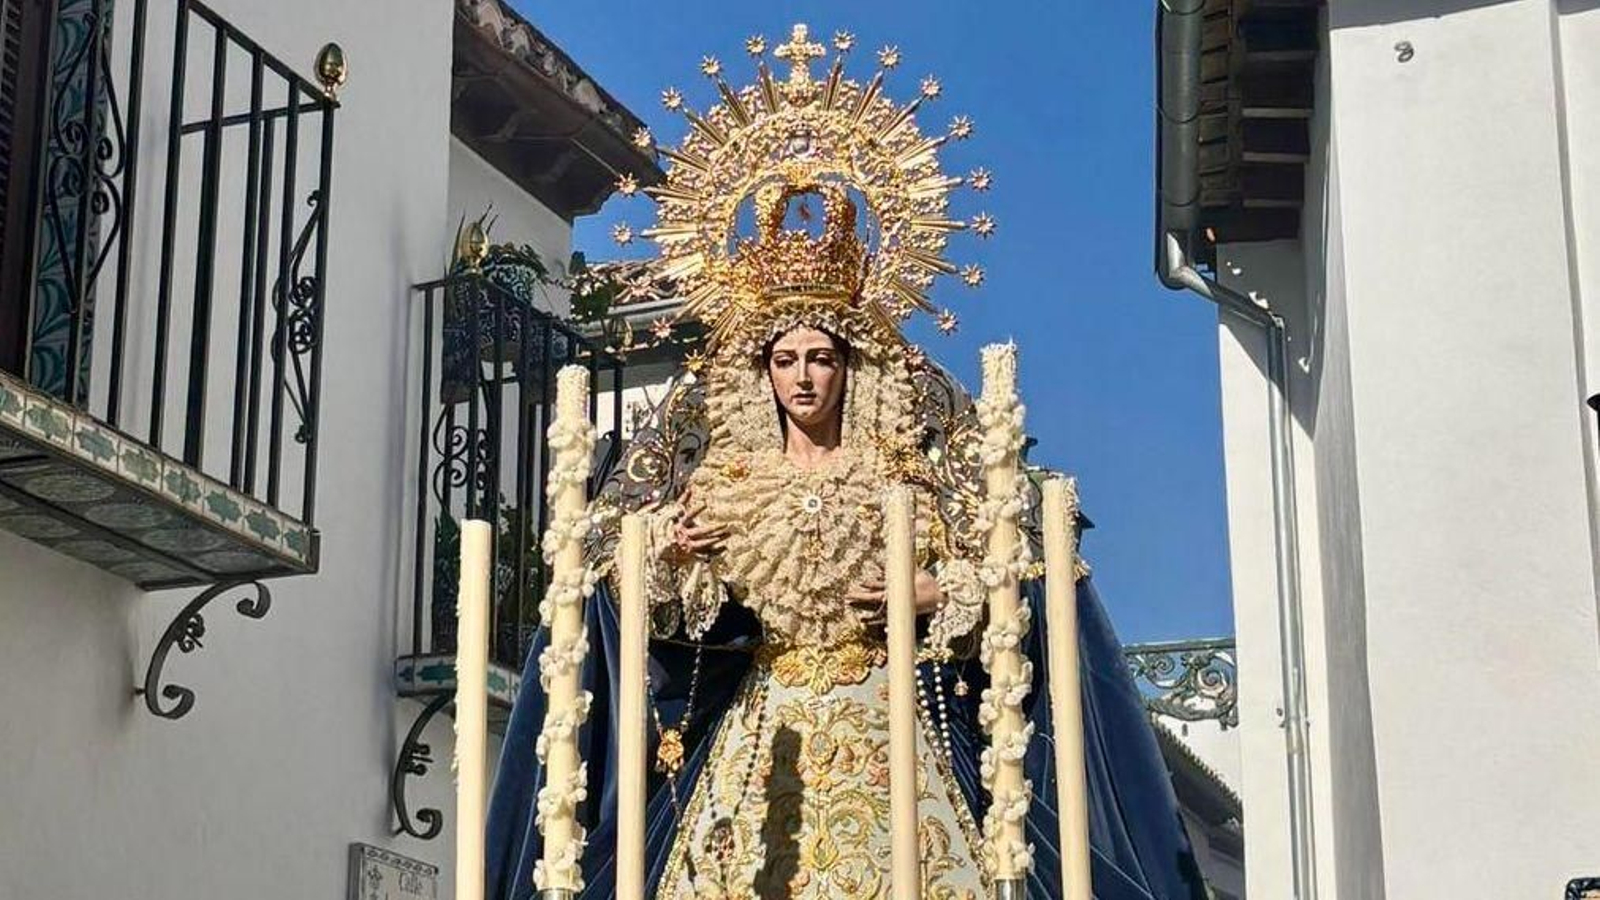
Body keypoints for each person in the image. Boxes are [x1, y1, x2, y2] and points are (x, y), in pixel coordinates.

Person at [485, 24, 1209, 899]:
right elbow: (651, 611)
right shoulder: (723, 480)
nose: (802, 377)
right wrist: (669, 556)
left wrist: (938, 593)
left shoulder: (905, 470)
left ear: (850, 366)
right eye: (784, 360)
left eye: (820, 358)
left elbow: (1020, 570)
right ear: (762, 372)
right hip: (761, 735)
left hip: (890, 727)